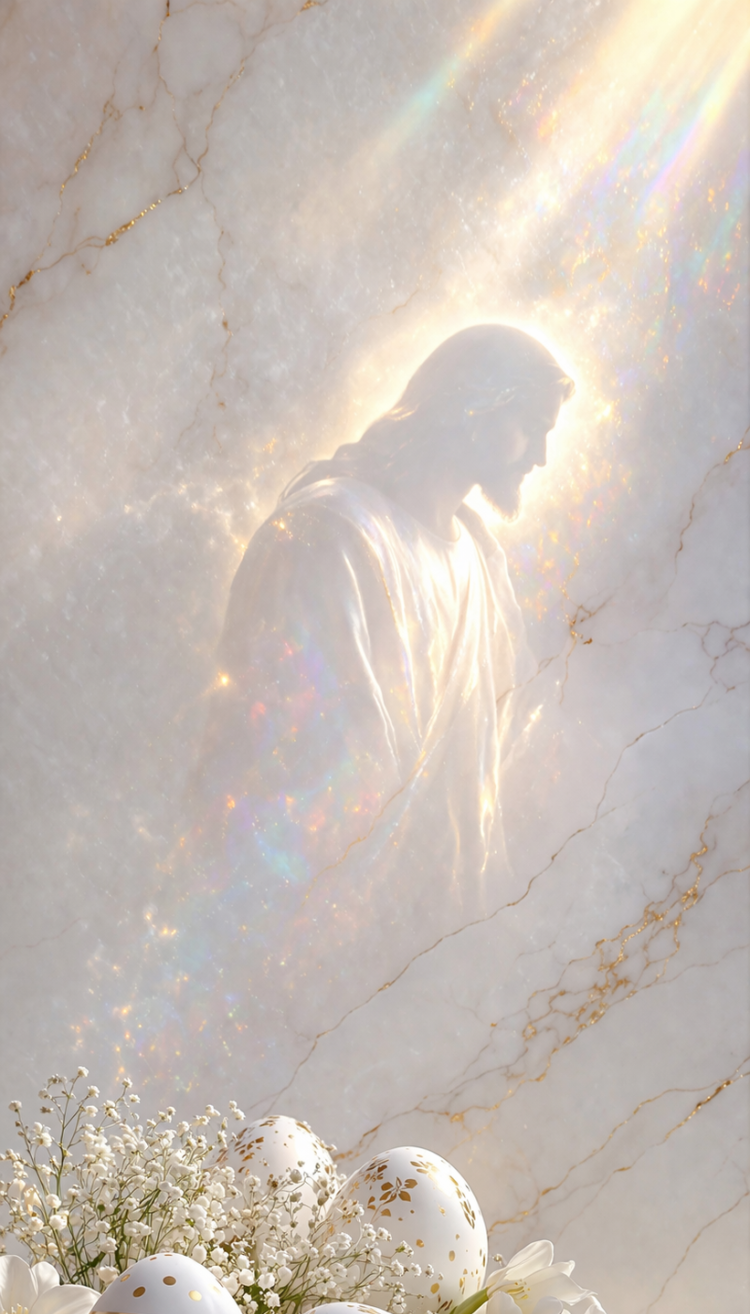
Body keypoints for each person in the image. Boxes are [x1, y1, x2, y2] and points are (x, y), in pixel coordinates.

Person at [137, 324, 574, 1103]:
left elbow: (492, 764)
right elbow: (274, 770)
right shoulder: (333, 534)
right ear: (475, 407)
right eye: (530, 425)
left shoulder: (476, 556)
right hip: (300, 962)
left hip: (418, 968)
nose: (539, 454)